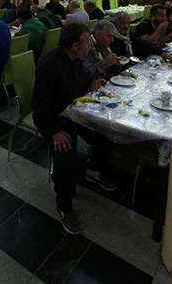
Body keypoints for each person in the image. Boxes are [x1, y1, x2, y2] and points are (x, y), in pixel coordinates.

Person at [33, 23, 115, 235]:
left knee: (103, 136)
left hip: (73, 111)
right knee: (65, 158)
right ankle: (64, 205)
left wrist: (90, 87)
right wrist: (55, 131)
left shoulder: (76, 60)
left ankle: (93, 171)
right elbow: (39, 106)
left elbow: (76, 87)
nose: (90, 44)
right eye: (87, 41)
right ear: (76, 45)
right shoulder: (49, 65)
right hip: (53, 118)